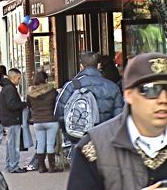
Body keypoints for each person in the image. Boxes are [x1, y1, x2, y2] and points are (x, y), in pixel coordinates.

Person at [67, 52, 167, 190]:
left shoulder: (71, 86)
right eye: (151, 90)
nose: (163, 99)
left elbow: (59, 111)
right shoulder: (93, 148)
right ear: (129, 94)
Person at [54, 52, 123, 144]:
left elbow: (58, 113)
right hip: (104, 140)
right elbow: (119, 117)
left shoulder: (71, 86)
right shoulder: (112, 87)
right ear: (99, 65)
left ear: (81, 66)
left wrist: (69, 134)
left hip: (79, 140)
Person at [27, 71, 60, 173]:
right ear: (45, 80)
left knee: (40, 144)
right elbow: (57, 103)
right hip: (51, 120)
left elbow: (29, 106)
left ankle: (41, 167)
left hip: (37, 121)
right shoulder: (52, 91)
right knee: (50, 144)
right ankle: (52, 167)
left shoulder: (30, 94)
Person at [0, 68, 27, 173]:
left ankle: (10, 165)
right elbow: (11, 104)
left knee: (10, 144)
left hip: (9, 119)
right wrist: (23, 104)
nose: (19, 81)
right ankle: (13, 166)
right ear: (14, 78)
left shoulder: (6, 88)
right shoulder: (10, 89)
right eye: (18, 78)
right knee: (13, 145)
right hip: (12, 119)